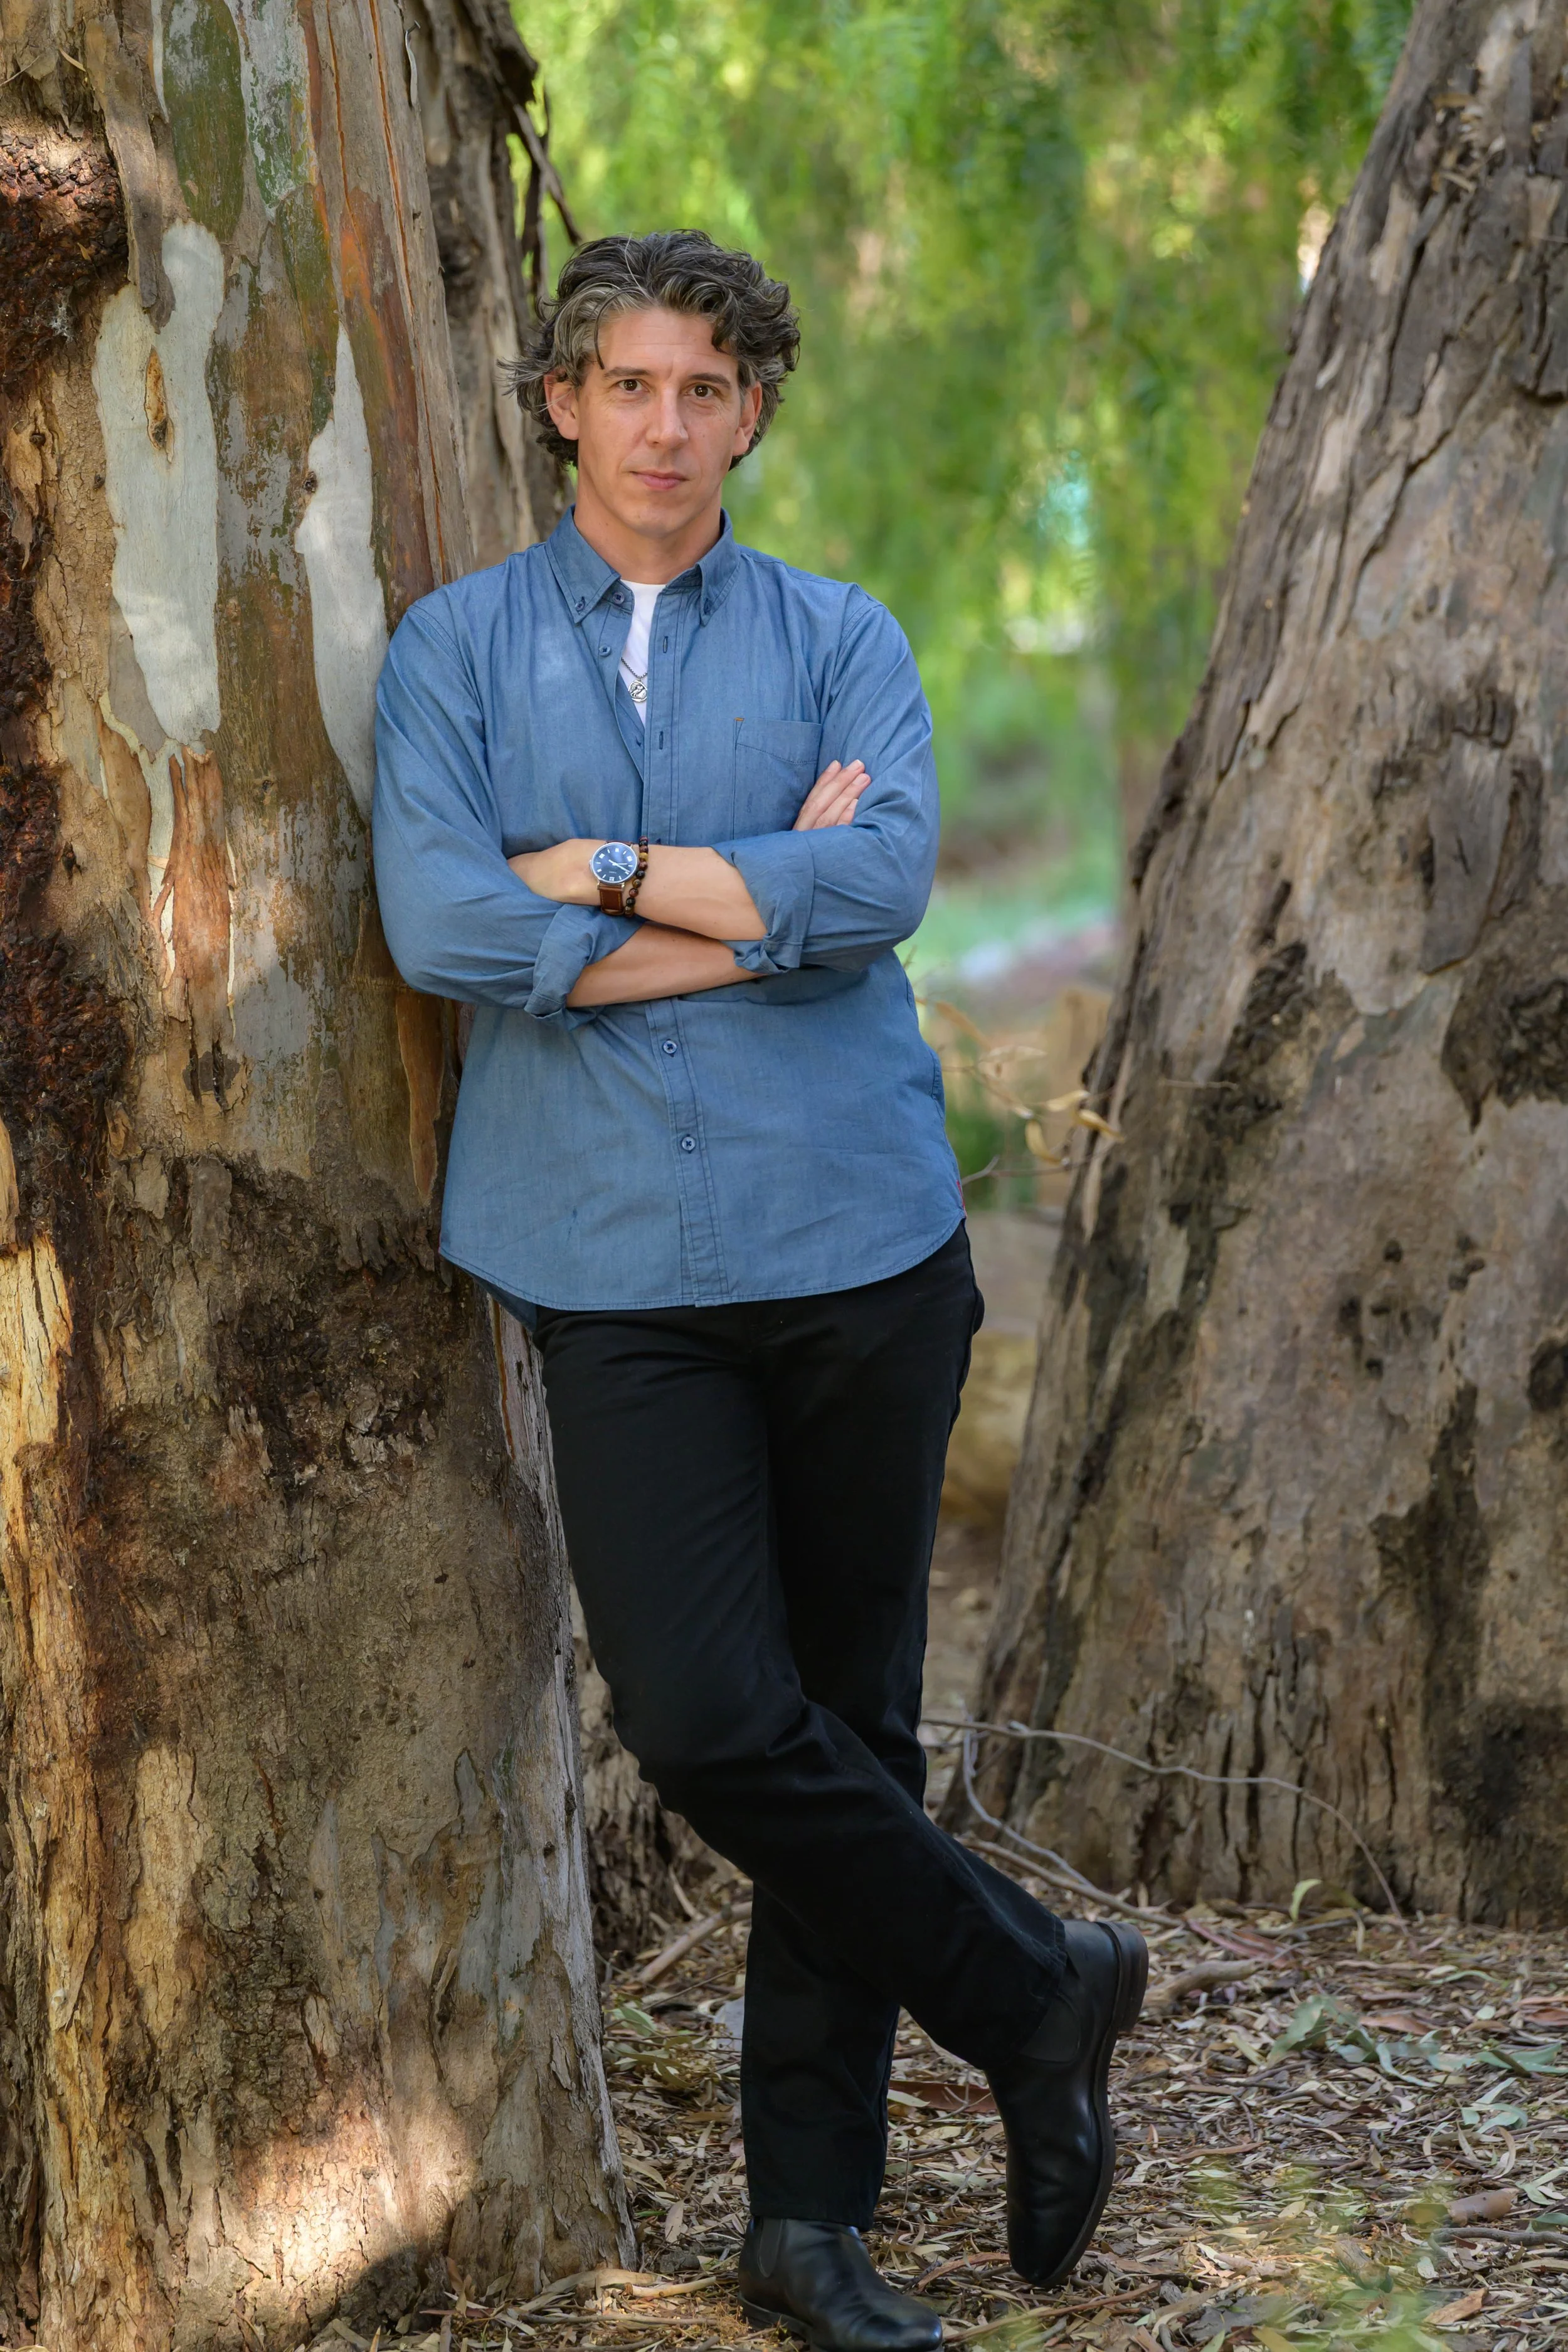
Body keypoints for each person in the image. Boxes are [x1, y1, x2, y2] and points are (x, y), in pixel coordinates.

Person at [373, 230, 1146, 2352]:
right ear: (560, 400)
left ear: (752, 412)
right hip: (605, 1258)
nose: (664, 425)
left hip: (861, 1245)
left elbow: (883, 878)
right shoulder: (451, 653)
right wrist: (758, 909)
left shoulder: (834, 636)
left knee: (856, 1720)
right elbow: (442, 920)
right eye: (626, 383)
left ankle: (807, 2225)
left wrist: (606, 874)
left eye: (707, 389)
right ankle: (1031, 1988)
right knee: (713, 1715)